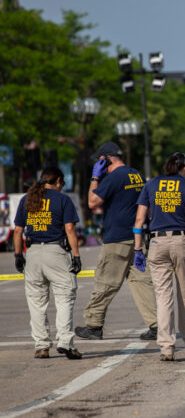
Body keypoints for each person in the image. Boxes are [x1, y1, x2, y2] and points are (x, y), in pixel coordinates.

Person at [75, 143, 159, 341]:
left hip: (117, 238)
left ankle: (94, 325)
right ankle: (157, 325)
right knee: (142, 283)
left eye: (99, 160)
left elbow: (92, 202)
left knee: (105, 282)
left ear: (105, 159)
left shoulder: (114, 177)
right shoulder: (136, 175)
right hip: (136, 238)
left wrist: (95, 178)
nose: (97, 164)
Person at [133, 152, 185, 361]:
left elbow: (139, 220)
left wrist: (138, 250)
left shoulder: (150, 185)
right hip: (181, 241)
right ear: (184, 167)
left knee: (163, 297)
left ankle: (167, 347)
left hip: (156, 243)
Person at [13, 167, 82, 359]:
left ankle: (42, 346)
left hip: (33, 253)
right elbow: (69, 228)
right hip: (56, 252)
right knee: (65, 297)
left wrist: (18, 255)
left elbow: (18, 231)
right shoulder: (62, 199)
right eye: (62, 183)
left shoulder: (27, 199)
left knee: (36, 302)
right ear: (58, 180)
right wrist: (76, 256)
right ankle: (65, 342)